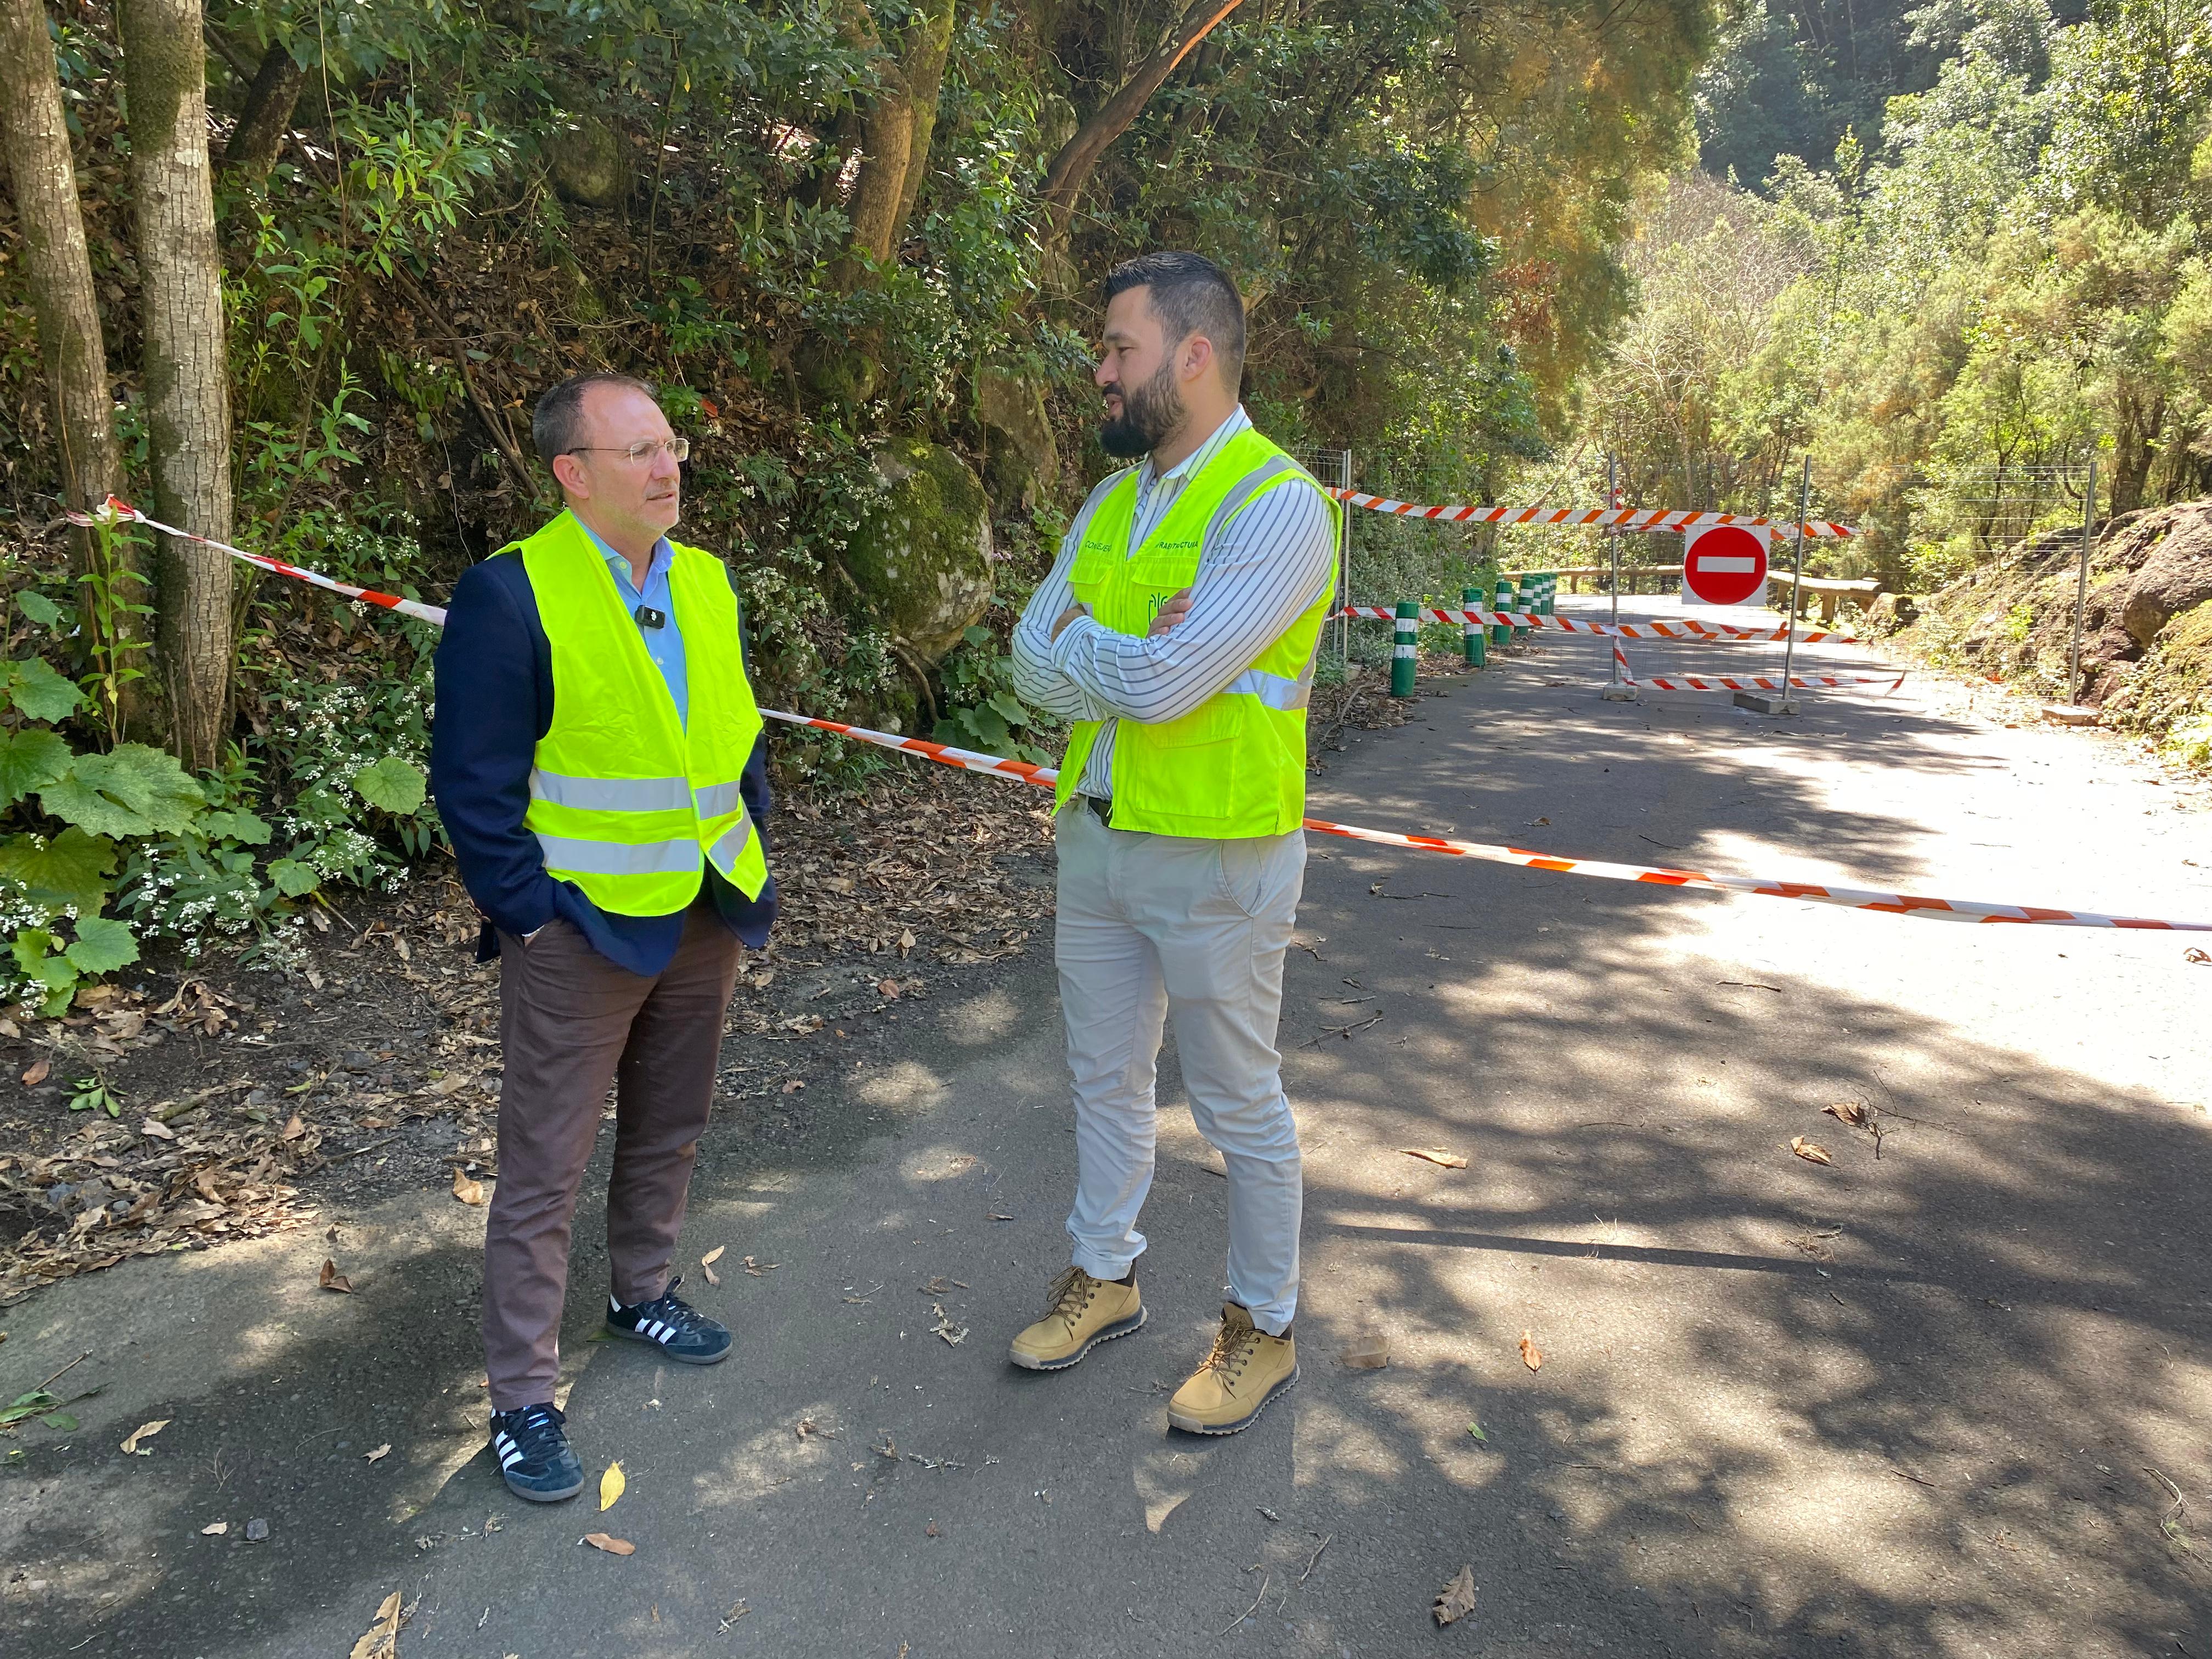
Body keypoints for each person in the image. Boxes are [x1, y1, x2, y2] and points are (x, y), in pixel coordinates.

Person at [1006, 251, 1339, 1435]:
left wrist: (1110, 653)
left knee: (1237, 1104)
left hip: (1217, 852)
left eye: (1118, 348)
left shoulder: (1278, 505)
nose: (1100, 370)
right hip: (1097, 839)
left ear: (1192, 357)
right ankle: (1107, 1278)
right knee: (1104, 1079)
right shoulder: (1115, 499)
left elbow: (1157, 683)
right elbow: (1025, 657)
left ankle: (1264, 1328)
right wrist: (1128, 651)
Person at [430, 371, 777, 1501]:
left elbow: (735, 735)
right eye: (639, 452)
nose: (668, 466)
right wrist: (527, 915)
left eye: (672, 445)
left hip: (702, 911)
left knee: (671, 1126)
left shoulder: (709, 583)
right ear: (574, 475)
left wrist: (751, 843)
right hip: (578, 928)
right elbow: (474, 786)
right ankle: (523, 1400)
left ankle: (642, 1293)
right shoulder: (511, 594)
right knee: (544, 1168)